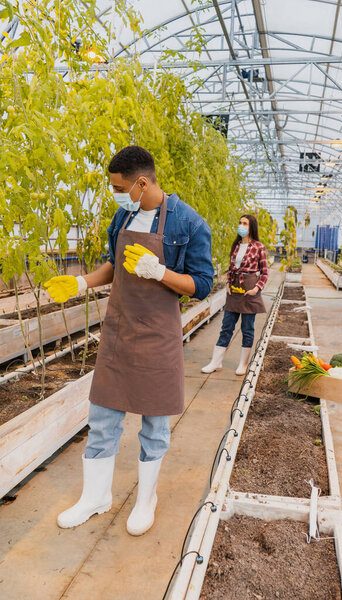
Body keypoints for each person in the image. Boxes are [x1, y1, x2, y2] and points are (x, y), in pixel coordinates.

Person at [44, 146, 214, 535]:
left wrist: (160, 272)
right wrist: (81, 282)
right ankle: (96, 497)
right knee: (103, 417)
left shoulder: (188, 224)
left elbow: (202, 285)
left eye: (120, 187)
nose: (116, 194)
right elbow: (113, 263)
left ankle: (146, 499)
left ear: (142, 183)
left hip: (157, 334)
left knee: (155, 422)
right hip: (119, 330)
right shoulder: (125, 215)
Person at [202, 214, 268, 376]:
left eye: (244, 223)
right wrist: (227, 283)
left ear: (251, 226)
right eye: (240, 222)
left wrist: (256, 288)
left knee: (247, 328)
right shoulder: (236, 246)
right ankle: (216, 362)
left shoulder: (259, 247)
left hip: (249, 288)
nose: (241, 225)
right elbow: (231, 269)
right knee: (226, 327)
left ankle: (243, 364)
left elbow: (265, 273)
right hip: (234, 289)